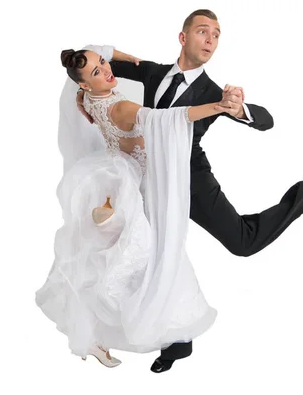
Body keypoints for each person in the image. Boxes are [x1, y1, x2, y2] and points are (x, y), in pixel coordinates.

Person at [83, 9, 303, 373]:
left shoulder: (214, 93)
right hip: (145, 179)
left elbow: (266, 121)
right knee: (148, 257)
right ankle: (177, 341)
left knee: (243, 243)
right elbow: (89, 55)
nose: (211, 39)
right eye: (202, 31)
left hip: (189, 179)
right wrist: (114, 58)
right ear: (183, 38)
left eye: (216, 34)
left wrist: (239, 107)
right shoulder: (152, 72)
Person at [35, 48, 236, 368]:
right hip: (138, 182)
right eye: (98, 71)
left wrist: (129, 58)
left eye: (103, 63)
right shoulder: (120, 106)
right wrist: (219, 106)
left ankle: (115, 330)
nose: (107, 69)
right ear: (85, 84)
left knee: (115, 254)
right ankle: (156, 328)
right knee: (149, 254)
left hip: (115, 169)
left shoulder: (85, 100)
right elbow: (171, 118)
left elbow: (101, 50)